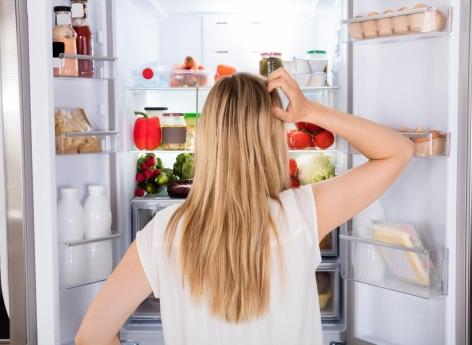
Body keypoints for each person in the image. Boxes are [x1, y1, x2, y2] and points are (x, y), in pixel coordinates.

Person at [75, 69, 414, 345]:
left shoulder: (162, 234)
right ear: (271, 140)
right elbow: (398, 151)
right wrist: (311, 111)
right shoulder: (301, 215)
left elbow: (91, 336)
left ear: (208, 138)